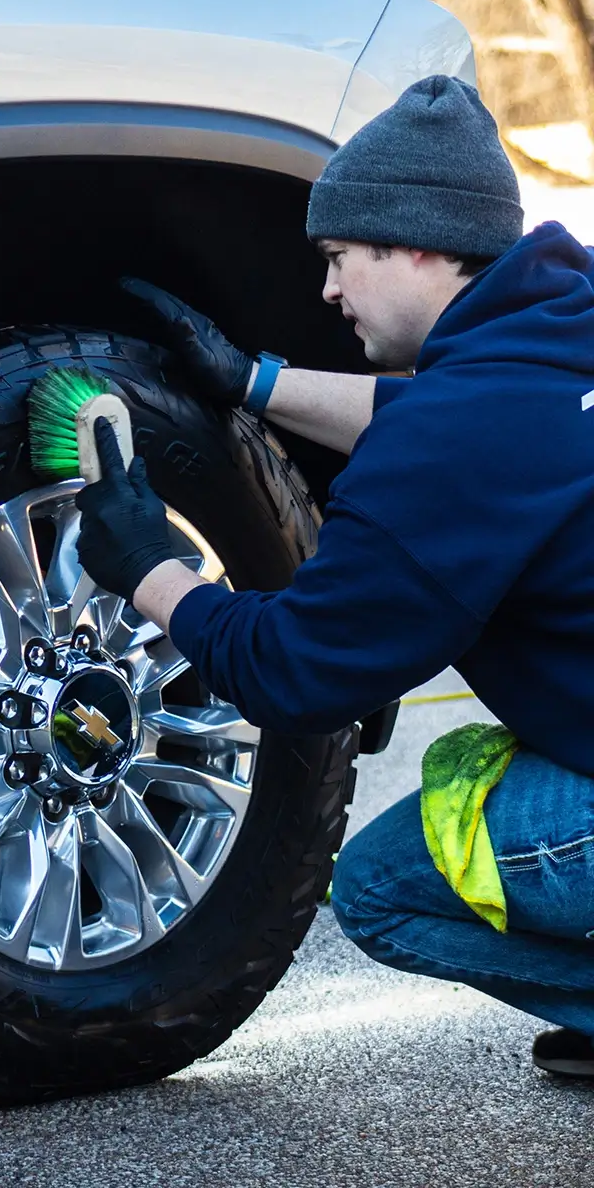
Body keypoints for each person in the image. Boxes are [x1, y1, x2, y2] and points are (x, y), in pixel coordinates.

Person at [74, 75, 594, 1079]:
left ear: (415, 242)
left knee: (380, 887)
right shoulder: (561, 333)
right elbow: (467, 425)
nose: (325, 290)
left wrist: (150, 571)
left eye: (337, 258)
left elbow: (297, 672)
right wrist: (251, 381)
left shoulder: (455, 443)